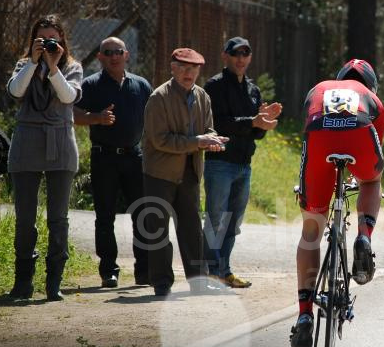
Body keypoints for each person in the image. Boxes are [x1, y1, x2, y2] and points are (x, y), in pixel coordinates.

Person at [290, 59, 384, 347]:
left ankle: (305, 312)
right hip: (359, 132)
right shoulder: (372, 98)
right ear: (370, 83)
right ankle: (363, 236)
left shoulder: (318, 89)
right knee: (372, 181)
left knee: (311, 232)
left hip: (319, 137)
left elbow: (306, 124)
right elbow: (373, 153)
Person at [141, 48, 230, 297]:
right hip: (160, 172)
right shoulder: (158, 98)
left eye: (193, 68)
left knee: (192, 229)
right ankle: (161, 282)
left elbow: (208, 130)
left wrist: (212, 140)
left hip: (190, 171)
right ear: (172, 68)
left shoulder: (203, 96)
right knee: (157, 229)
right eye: (182, 67)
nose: (188, 73)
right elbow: (160, 141)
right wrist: (198, 141)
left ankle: (198, 281)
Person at [6, 14, 83, 301]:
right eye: (42, 38)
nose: (49, 43)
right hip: (27, 142)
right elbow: (16, 91)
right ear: (33, 40)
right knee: (25, 217)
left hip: (59, 143)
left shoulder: (73, 67)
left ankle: (54, 282)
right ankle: (23, 281)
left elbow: (67, 97)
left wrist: (53, 66)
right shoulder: (23, 64)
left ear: (62, 39)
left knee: (58, 218)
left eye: (54, 38)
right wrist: (34, 62)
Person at [202, 37, 282, 288]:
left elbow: (255, 132)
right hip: (219, 162)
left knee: (233, 222)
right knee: (216, 219)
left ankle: (224, 271)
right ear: (225, 56)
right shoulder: (214, 86)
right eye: (236, 54)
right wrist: (252, 122)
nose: (241, 59)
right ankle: (208, 273)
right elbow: (219, 124)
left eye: (245, 54)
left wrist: (264, 123)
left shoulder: (253, 90)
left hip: (243, 165)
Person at [73, 37, 153, 288]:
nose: (114, 56)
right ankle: (109, 271)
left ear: (126, 54)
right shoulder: (91, 84)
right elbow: (72, 113)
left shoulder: (141, 85)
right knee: (105, 216)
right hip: (104, 157)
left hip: (134, 156)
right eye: (108, 52)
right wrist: (96, 118)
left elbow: (154, 117)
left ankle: (144, 271)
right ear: (100, 57)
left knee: (143, 213)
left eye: (118, 51)